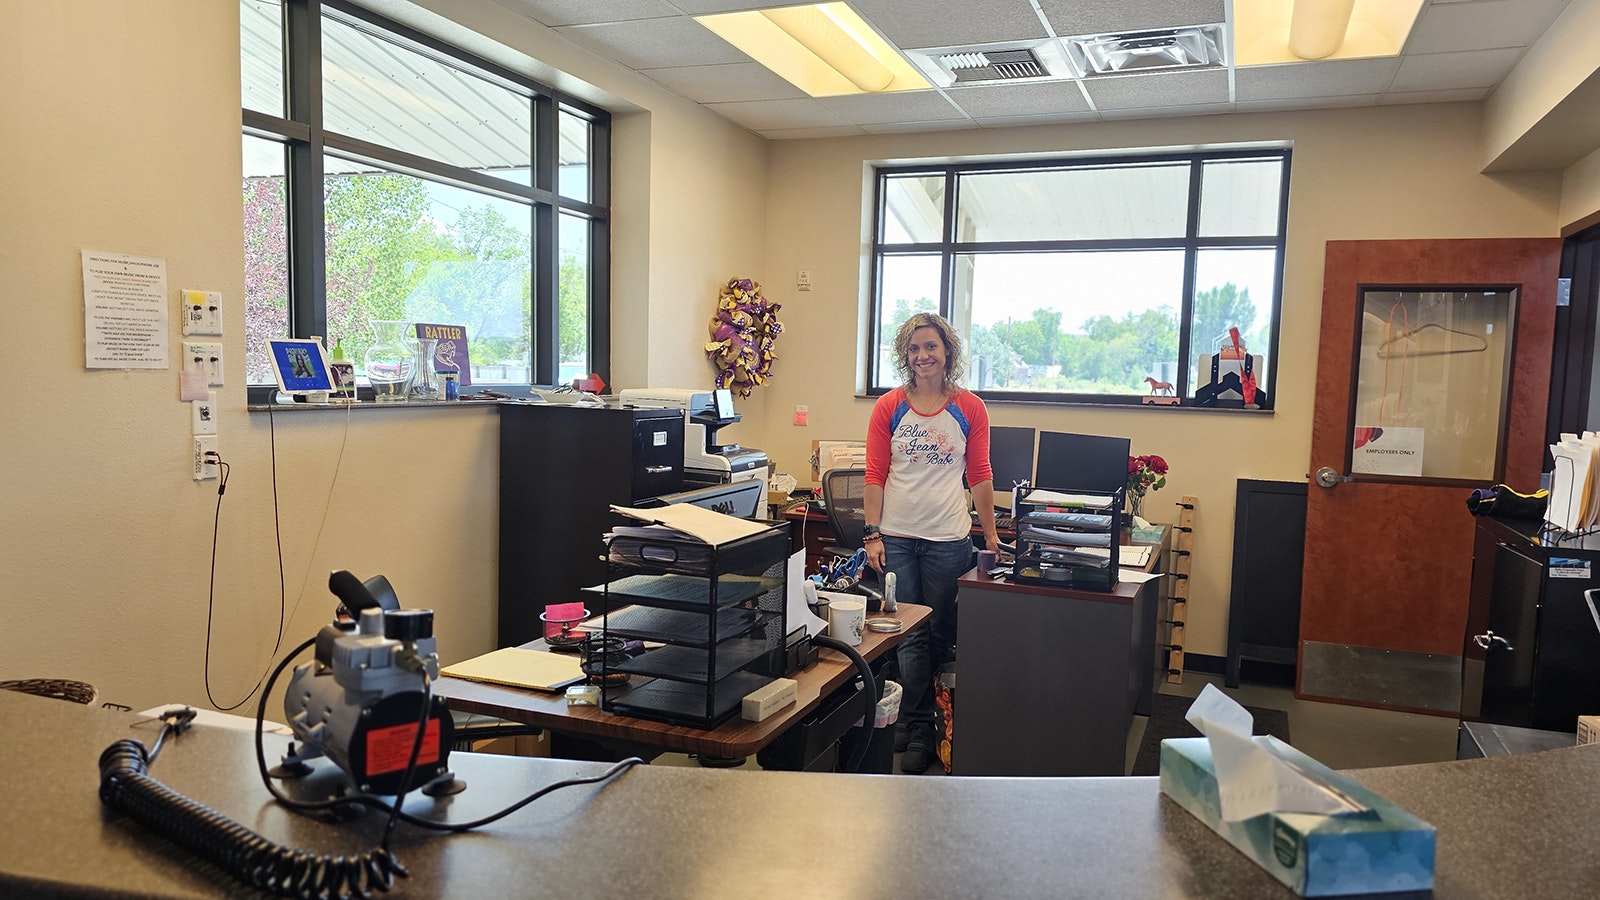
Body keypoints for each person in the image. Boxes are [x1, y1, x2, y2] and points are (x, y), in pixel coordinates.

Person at [863, 312, 999, 774]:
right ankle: (920, 725)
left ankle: (927, 718)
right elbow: (874, 475)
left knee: (940, 634)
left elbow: (979, 475)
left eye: (931, 347)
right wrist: (872, 532)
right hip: (898, 539)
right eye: (914, 348)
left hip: (947, 539)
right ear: (906, 355)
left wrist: (993, 535)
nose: (923, 356)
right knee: (908, 636)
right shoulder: (889, 407)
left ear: (948, 352)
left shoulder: (969, 408)